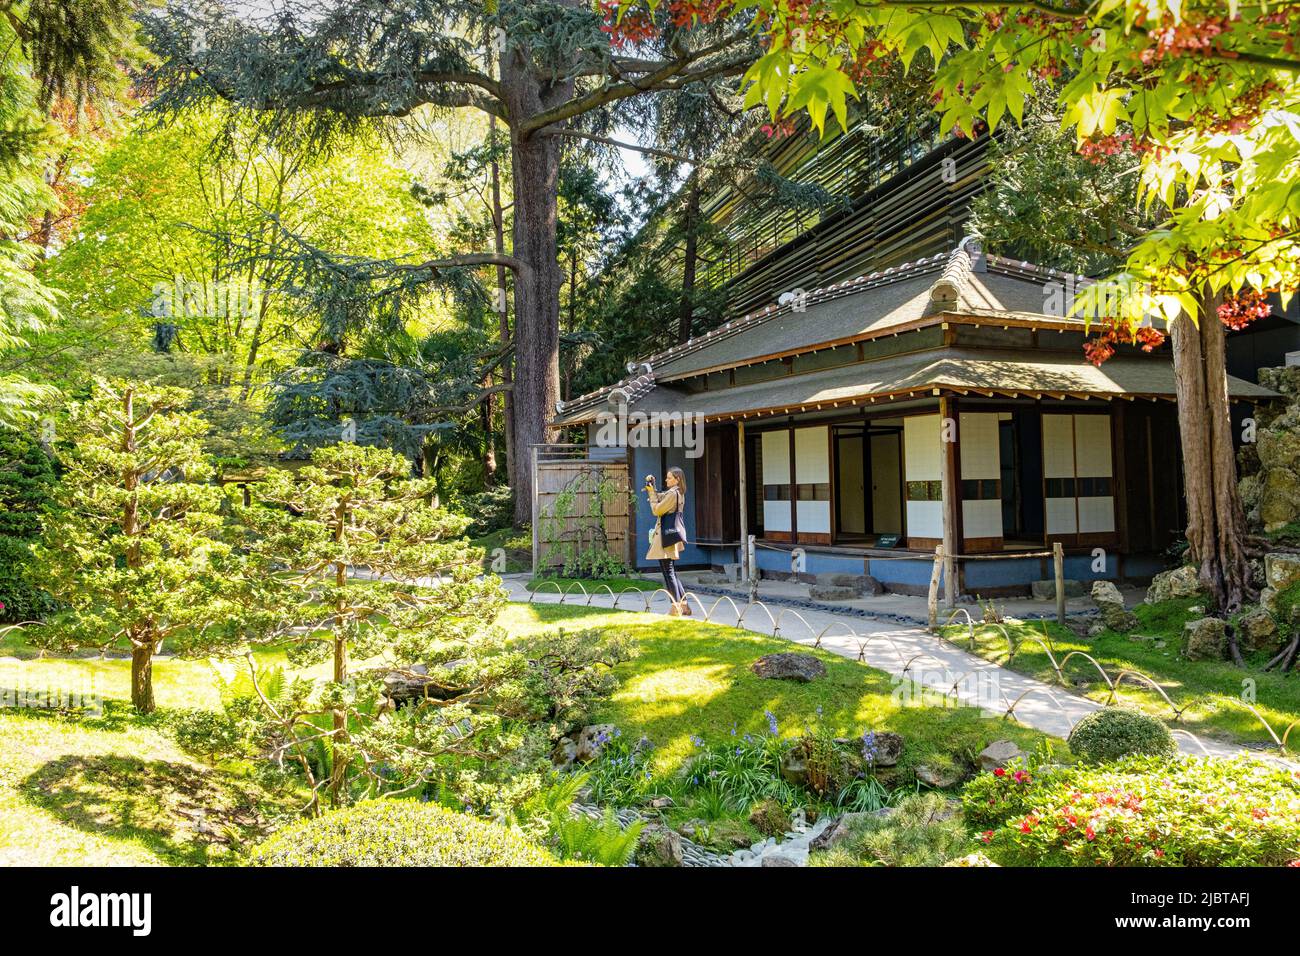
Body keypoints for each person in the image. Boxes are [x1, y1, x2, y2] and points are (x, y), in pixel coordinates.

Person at [645, 466, 690, 616]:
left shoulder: (673, 494)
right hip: (670, 535)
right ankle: (683, 605)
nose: (667, 479)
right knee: (671, 571)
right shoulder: (677, 493)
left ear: (677, 479)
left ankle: (675, 607)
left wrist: (652, 496)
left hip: (665, 536)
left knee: (668, 571)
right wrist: (653, 489)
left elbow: (657, 510)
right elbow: (660, 497)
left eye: (669, 477)